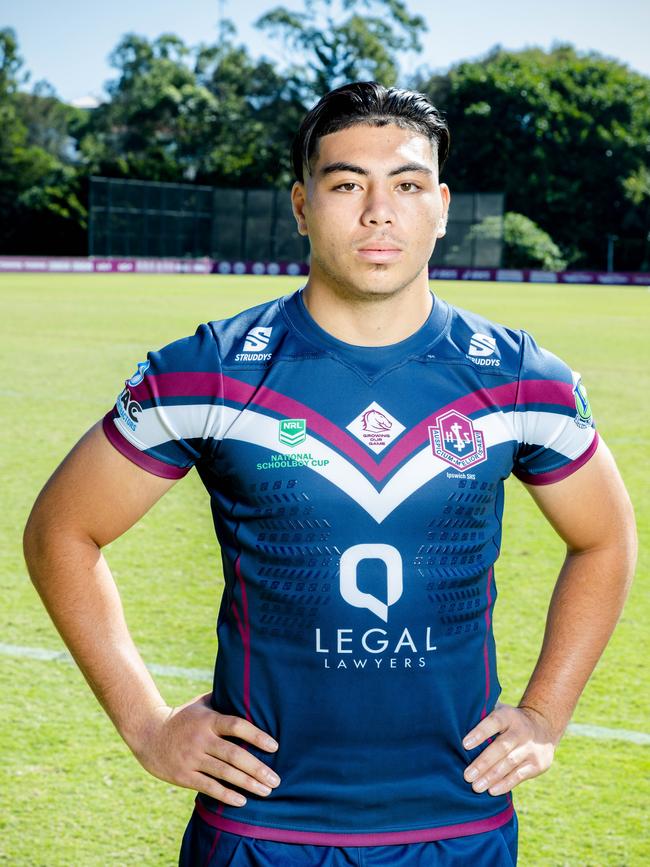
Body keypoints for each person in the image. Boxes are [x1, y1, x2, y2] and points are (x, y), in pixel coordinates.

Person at [24, 82, 636, 866]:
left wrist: (546, 714)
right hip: (259, 829)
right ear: (302, 204)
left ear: (442, 206)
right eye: (347, 183)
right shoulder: (210, 369)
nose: (379, 210)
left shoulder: (521, 379)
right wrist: (147, 725)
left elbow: (606, 540)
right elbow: (61, 532)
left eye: (407, 185)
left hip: (458, 823)